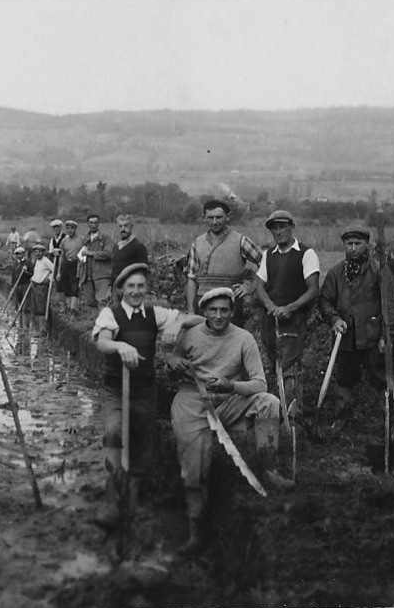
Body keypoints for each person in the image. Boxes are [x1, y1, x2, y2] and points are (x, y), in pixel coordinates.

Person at [166, 287, 295, 553]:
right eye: (213, 310)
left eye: (225, 310)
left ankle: (268, 468)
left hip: (228, 400)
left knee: (269, 402)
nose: (219, 315)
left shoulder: (243, 338)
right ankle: (196, 530)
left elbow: (260, 383)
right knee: (193, 467)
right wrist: (174, 364)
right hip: (193, 401)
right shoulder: (189, 334)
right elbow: (171, 364)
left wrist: (230, 386)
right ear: (204, 312)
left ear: (232, 312)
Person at [91, 263, 202, 528]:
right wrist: (119, 345)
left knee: (142, 448)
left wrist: (177, 323)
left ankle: (132, 503)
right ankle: (111, 502)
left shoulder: (155, 314)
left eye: (141, 286)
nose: (136, 291)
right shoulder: (111, 313)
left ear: (146, 288)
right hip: (115, 390)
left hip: (144, 391)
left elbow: (196, 319)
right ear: (121, 290)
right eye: (131, 286)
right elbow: (102, 341)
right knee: (115, 432)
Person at [318, 224, 394, 425]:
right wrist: (334, 319)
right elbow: (325, 301)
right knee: (344, 380)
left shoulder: (379, 270)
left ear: (367, 245)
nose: (353, 248)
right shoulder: (336, 273)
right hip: (345, 340)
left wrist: (386, 337)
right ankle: (341, 420)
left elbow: (390, 306)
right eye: (349, 244)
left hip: (373, 338)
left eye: (358, 243)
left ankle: (390, 423)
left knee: (382, 380)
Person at [255, 210, 320, 415]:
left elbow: (313, 290)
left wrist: (289, 308)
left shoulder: (306, 253)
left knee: (289, 366)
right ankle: (279, 409)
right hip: (270, 319)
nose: (279, 231)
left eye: (283, 226)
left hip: (294, 319)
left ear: (291, 227)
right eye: (275, 228)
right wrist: (270, 306)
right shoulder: (268, 255)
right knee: (275, 363)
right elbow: (259, 286)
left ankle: (293, 414)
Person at [185, 199, 263, 328]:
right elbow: (191, 278)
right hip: (203, 303)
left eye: (219, 217)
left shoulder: (240, 241)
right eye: (210, 217)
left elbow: (265, 263)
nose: (215, 222)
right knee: (204, 342)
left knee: (230, 342)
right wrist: (191, 311)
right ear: (204, 218)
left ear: (227, 218)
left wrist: (250, 286)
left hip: (230, 304)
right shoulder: (197, 243)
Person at [78, 214, 112, 308]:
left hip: (101, 275)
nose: (93, 225)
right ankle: (95, 322)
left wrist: (90, 253)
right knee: (91, 302)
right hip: (87, 276)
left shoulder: (105, 238)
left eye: (95, 223)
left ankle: (105, 322)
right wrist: (80, 277)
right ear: (87, 224)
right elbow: (81, 259)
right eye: (91, 223)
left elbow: (108, 254)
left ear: (99, 224)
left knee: (102, 301)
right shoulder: (85, 239)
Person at [110, 215, 149, 296]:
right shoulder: (116, 246)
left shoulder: (138, 246)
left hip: (131, 288)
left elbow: (143, 269)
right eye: (120, 226)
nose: (123, 229)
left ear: (131, 227)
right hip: (116, 287)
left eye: (126, 226)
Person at [56, 220, 84, 311]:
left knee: (74, 285)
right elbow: (62, 256)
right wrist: (59, 272)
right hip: (66, 263)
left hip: (77, 264)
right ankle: (67, 306)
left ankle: (73, 308)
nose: (70, 230)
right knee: (64, 283)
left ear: (75, 229)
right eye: (68, 228)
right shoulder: (64, 241)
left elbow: (84, 254)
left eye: (72, 228)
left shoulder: (81, 239)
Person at [28, 244, 56, 318]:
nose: (37, 254)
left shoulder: (46, 261)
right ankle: (38, 326)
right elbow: (38, 272)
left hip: (42, 287)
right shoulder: (37, 261)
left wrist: (49, 278)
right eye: (36, 252)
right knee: (36, 307)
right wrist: (33, 278)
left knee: (42, 307)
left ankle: (44, 327)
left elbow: (54, 270)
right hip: (35, 286)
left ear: (43, 252)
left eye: (39, 252)